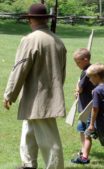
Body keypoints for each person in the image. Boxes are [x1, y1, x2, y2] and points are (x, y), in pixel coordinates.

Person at [3, 3, 66, 169]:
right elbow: (62, 73)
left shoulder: (30, 40)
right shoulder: (58, 41)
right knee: (28, 132)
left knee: (49, 139)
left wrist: (9, 93)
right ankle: (29, 164)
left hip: (39, 97)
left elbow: (20, 69)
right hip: (43, 96)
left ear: (31, 19)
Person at [71, 48, 95, 164]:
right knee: (82, 129)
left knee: (91, 132)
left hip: (88, 107)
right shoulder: (87, 70)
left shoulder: (88, 72)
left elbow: (80, 88)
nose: (77, 65)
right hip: (84, 107)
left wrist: (77, 90)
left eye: (78, 62)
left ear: (85, 60)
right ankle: (83, 150)